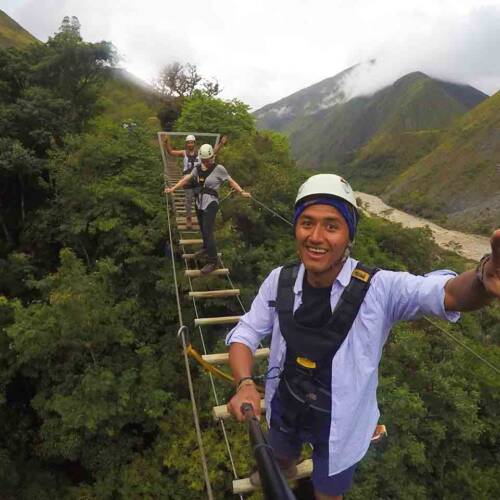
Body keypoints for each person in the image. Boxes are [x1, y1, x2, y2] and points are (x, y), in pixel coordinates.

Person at [225, 174, 500, 500]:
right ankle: (283, 466)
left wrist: (484, 279)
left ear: (349, 235)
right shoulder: (279, 281)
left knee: (329, 492)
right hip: (286, 401)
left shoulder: (379, 288)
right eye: (307, 223)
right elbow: (247, 331)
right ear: (296, 228)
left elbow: (446, 294)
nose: (316, 236)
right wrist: (244, 383)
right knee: (281, 451)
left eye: (331, 226)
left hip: (342, 422)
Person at [165, 143, 251, 274]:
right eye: (205, 160)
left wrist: (242, 192)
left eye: (209, 159)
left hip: (211, 203)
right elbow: (186, 178)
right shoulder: (197, 169)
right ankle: (206, 247)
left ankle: (213, 261)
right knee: (202, 227)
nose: (207, 162)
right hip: (199, 202)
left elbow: (230, 181)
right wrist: (173, 188)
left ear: (212, 157)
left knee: (207, 229)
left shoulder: (219, 169)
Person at [163, 134, 227, 229]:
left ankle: (201, 217)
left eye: (191, 142)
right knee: (188, 200)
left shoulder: (200, 153)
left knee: (200, 200)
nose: (190, 144)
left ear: (194, 143)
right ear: (186, 144)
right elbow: (170, 152)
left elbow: (213, 152)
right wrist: (166, 142)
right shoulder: (184, 153)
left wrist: (221, 143)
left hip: (198, 179)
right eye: (188, 142)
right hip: (187, 180)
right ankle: (189, 219)